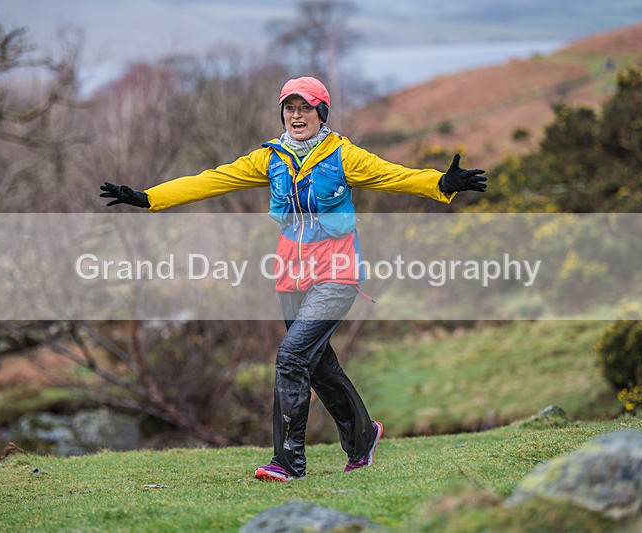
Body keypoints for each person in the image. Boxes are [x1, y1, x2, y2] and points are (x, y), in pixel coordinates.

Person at [100, 76, 486, 482]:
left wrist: (440, 183)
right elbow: (213, 179)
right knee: (316, 364)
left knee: (291, 357)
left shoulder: (344, 156)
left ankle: (288, 463)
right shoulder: (271, 158)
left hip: (337, 273)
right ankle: (362, 437)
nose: (296, 116)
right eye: (290, 108)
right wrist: (150, 197)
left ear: (322, 114)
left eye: (306, 108)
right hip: (291, 277)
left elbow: (393, 176)